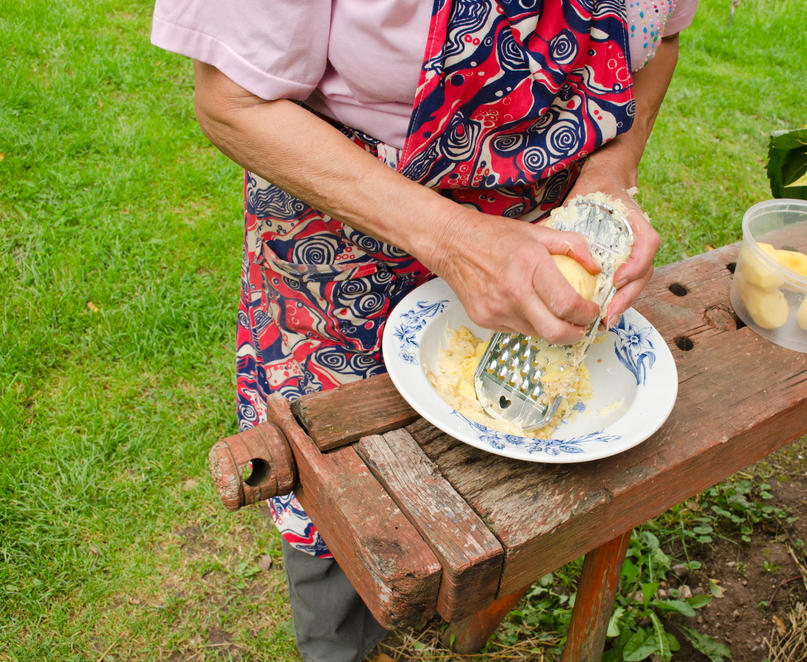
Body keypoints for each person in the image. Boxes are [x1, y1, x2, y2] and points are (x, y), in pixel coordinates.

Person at [150, 0, 698, 659]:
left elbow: (660, 41)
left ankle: (470, 604)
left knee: (501, 472)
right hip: (348, 243)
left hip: (541, 247)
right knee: (348, 498)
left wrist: (610, 173)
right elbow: (231, 101)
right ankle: (341, 642)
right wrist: (454, 240)